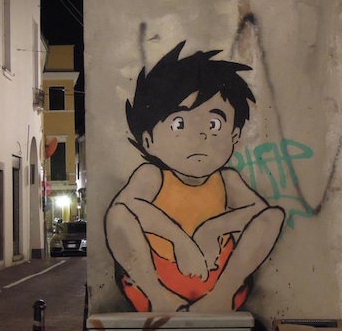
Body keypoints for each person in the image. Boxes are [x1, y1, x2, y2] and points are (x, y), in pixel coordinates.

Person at [105, 41, 285, 312]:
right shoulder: (152, 176)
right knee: (118, 215)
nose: (199, 135)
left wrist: (213, 229)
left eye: (214, 123)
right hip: (156, 282)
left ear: (234, 136)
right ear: (148, 140)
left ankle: (219, 297)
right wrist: (181, 242)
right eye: (179, 123)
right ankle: (160, 298)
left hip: (219, 282)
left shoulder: (227, 181)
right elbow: (127, 210)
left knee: (273, 217)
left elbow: (262, 215)